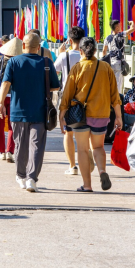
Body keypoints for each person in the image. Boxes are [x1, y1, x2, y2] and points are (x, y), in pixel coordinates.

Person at [0, 33, 60, 192]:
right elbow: (55, 87)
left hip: (18, 111)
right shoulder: (46, 63)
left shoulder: (13, 61)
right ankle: (32, 178)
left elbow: (6, 83)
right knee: (37, 146)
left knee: (20, 145)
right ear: (39, 47)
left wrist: (0, 103)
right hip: (40, 112)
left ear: (23, 46)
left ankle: (21, 175)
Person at [59, 37, 122, 193]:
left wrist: (61, 116)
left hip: (79, 116)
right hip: (100, 114)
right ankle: (102, 171)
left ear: (80, 51)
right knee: (98, 147)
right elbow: (115, 96)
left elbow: (67, 94)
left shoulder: (77, 68)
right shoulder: (105, 67)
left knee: (82, 150)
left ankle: (87, 185)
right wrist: (119, 117)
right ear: (96, 50)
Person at [55, 26, 85, 176]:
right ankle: (87, 163)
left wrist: (60, 53)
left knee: (68, 133)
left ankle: (72, 166)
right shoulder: (88, 56)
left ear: (70, 40)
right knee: (84, 133)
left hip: (67, 98)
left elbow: (55, 73)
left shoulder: (64, 56)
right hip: (85, 99)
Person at [0, 37, 21, 161]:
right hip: (15, 98)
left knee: (0, 125)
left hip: (0, 97)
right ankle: (10, 151)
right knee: (13, 125)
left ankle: (1, 151)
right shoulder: (20, 62)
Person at [102, 19, 135, 92]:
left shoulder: (107, 38)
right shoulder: (121, 35)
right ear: (116, 27)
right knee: (118, 84)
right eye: (119, 25)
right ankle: (117, 101)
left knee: (110, 82)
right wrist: (132, 22)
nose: (120, 26)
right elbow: (132, 29)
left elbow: (104, 51)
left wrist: (104, 62)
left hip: (110, 63)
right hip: (118, 63)